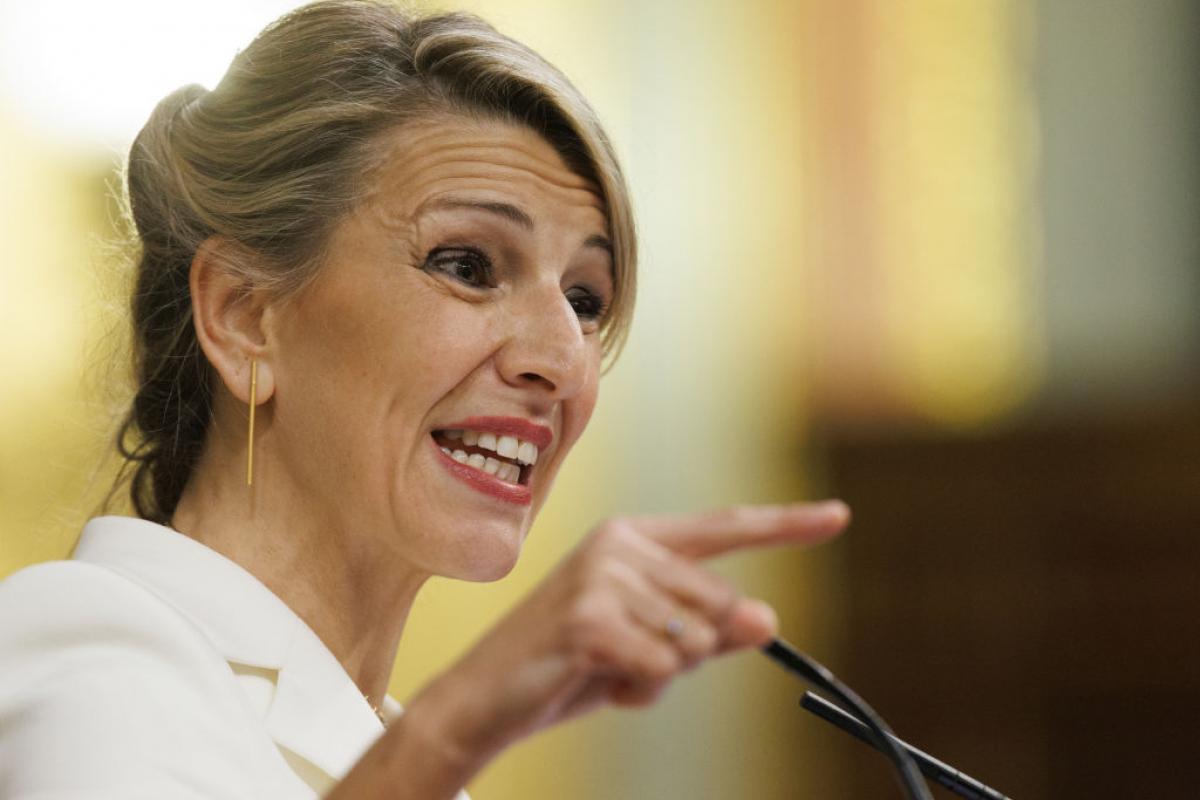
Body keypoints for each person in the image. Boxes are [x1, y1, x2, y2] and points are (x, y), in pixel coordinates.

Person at [0, 2, 849, 798]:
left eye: (585, 300)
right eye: (468, 265)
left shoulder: (392, 748)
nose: (562, 360)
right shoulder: (78, 640)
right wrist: (460, 721)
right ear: (245, 315)